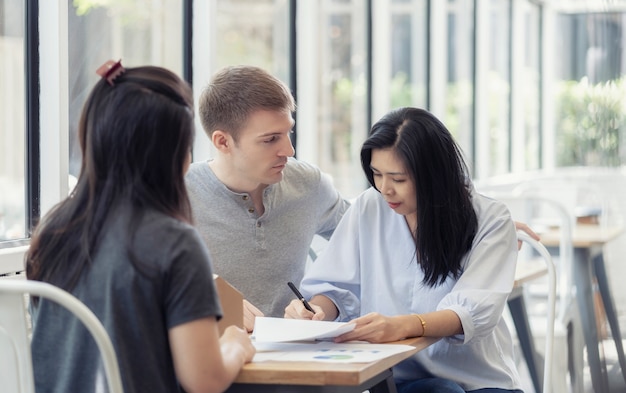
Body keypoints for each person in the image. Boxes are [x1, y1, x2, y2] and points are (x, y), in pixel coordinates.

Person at [25, 61, 255, 393]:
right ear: (173, 154)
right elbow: (204, 380)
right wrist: (236, 343)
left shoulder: (55, 233)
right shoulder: (175, 243)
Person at [285, 107, 525, 393]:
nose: (385, 189)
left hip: (476, 380)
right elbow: (337, 286)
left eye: (398, 179)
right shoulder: (368, 207)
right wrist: (314, 310)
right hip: (394, 378)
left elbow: (472, 312)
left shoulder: (490, 218)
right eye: (376, 174)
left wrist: (403, 326)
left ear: (434, 176)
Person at [185, 65, 350, 329]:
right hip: (214, 360)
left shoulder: (309, 184)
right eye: (271, 139)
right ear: (222, 142)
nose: (289, 149)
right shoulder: (177, 196)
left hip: (296, 358)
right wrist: (205, 294)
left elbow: (362, 247)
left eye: (288, 132)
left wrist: (321, 305)